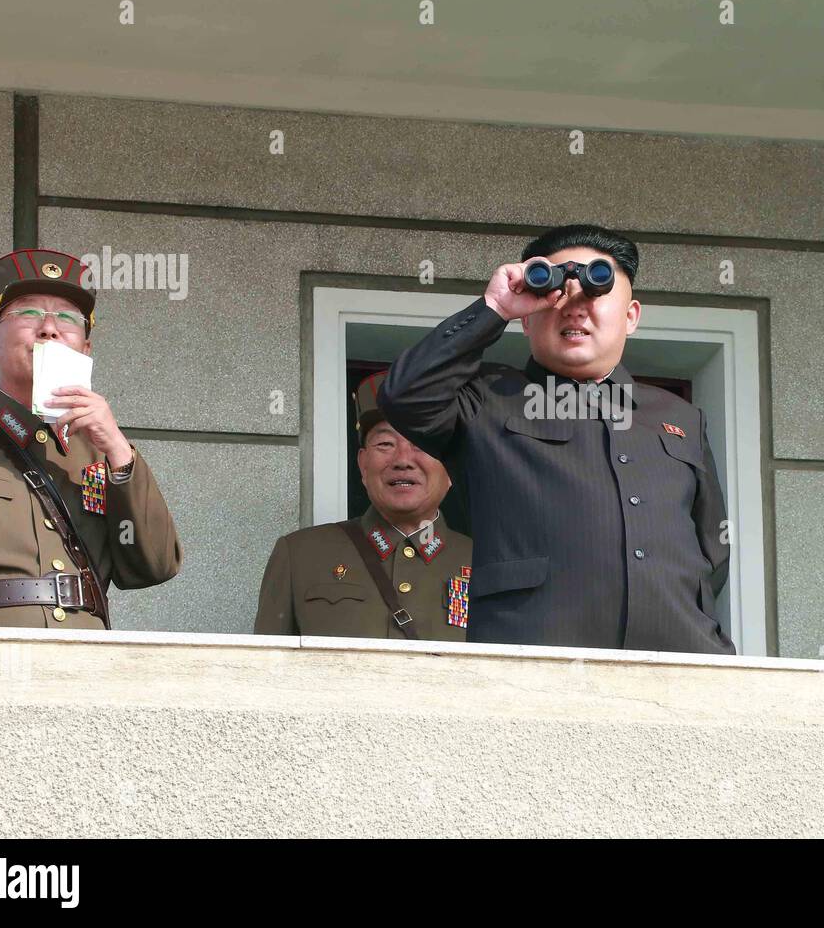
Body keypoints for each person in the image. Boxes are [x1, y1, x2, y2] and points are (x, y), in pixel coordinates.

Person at [379, 223, 733, 653]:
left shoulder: (679, 417)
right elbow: (404, 395)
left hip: (681, 662)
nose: (575, 308)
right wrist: (493, 307)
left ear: (631, 316)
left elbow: (712, 550)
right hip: (533, 667)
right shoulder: (488, 400)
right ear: (527, 317)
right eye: (558, 293)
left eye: (595, 291)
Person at [0, 249, 182, 628]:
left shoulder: (105, 452)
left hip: (84, 664)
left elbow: (155, 565)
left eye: (67, 317)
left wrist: (118, 449)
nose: (49, 327)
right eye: (27, 313)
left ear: (85, 348)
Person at [255, 371, 472, 639]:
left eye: (421, 443)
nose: (403, 459)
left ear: (451, 467)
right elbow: (266, 670)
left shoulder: (483, 563)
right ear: (362, 464)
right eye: (385, 443)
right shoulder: (300, 555)